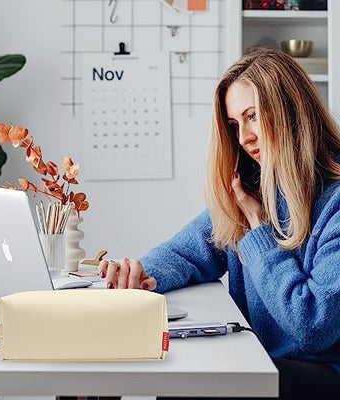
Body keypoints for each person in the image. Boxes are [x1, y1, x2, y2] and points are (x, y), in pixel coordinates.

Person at [98, 48, 340, 400]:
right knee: (177, 375)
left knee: (188, 385)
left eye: (252, 116)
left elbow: (313, 325)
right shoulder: (255, 188)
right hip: (258, 359)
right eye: (234, 124)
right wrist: (138, 274)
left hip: (320, 374)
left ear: (291, 111)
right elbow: (186, 253)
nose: (244, 137)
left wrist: (258, 229)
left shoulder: (332, 202)